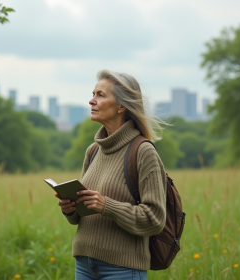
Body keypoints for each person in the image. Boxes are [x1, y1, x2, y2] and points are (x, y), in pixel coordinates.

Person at [56, 69, 168, 280]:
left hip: (122, 269)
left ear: (122, 106)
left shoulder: (143, 151)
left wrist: (107, 206)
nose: (91, 101)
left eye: (100, 95)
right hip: (84, 264)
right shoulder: (93, 151)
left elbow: (155, 219)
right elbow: (78, 218)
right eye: (93, 94)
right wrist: (70, 209)